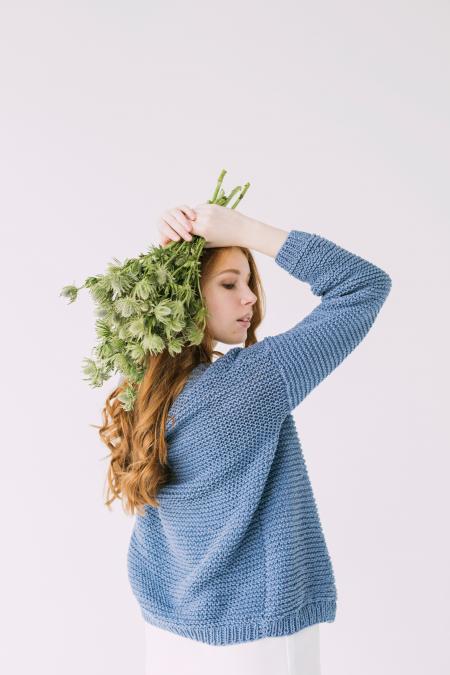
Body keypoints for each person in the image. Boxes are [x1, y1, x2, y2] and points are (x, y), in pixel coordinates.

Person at [125, 203, 392, 674]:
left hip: (169, 634)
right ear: (186, 297)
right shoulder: (246, 385)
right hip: (257, 638)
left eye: (249, 282)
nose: (249, 297)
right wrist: (247, 230)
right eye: (229, 284)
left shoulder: (141, 392)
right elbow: (364, 285)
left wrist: (175, 249)